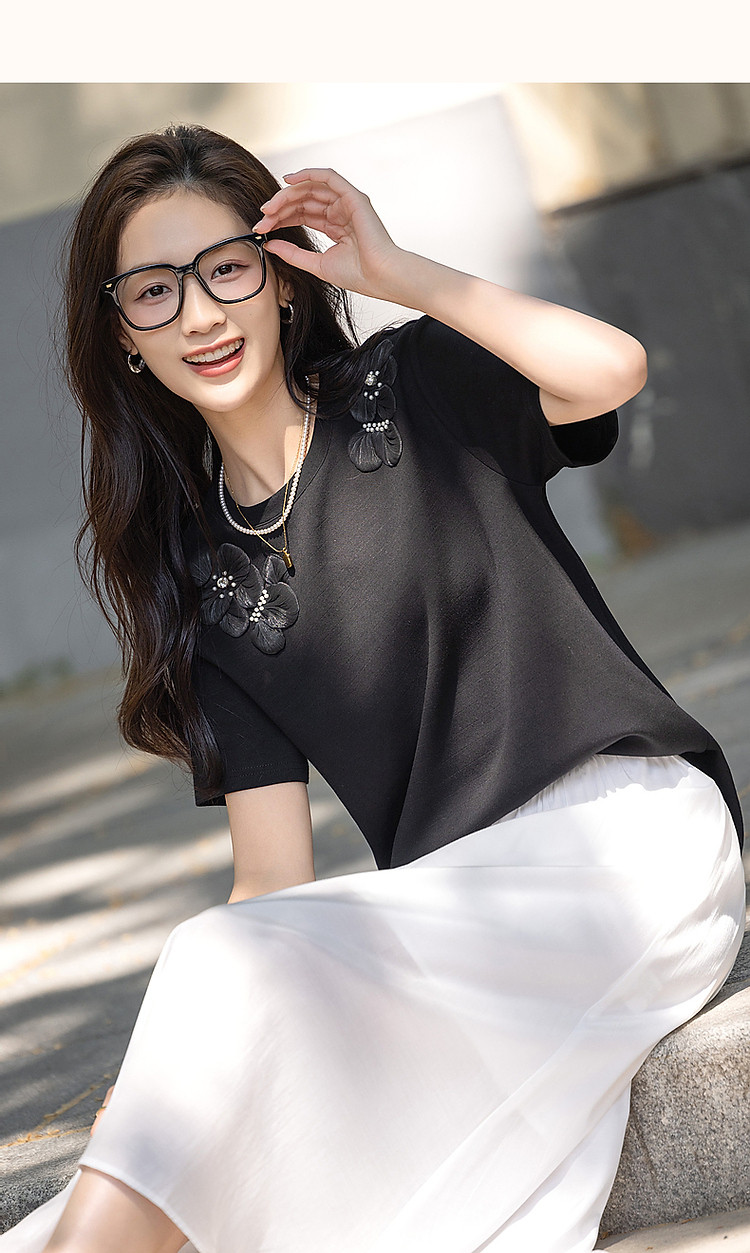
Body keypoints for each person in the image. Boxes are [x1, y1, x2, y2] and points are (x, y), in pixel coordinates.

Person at [2, 123, 745, 1253]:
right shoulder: (207, 585)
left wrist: (396, 272)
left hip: (623, 843)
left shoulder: (413, 384)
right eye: (155, 291)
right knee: (198, 1090)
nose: (200, 315)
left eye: (225, 269)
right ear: (124, 335)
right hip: (456, 915)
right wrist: (159, 1079)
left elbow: (613, 369)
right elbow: (271, 879)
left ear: (281, 280)